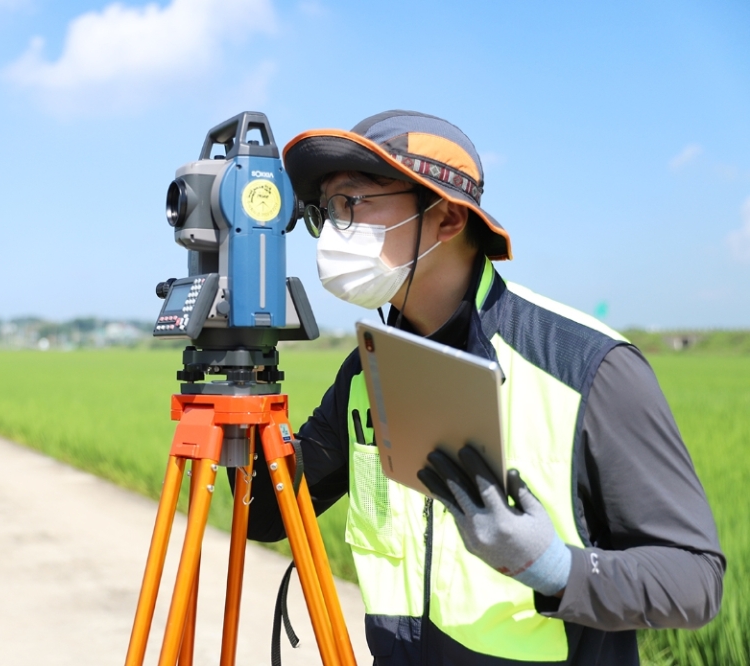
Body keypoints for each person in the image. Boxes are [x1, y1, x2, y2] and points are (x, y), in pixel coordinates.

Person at [239, 110, 725, 665]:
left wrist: (555, 569)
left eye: (352, 204)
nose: (331, 232)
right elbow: (266, 514)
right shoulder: (367, 373)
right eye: (323, 211)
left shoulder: (589, 367)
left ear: (446, 218)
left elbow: (696, 580)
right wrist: (240, 391)